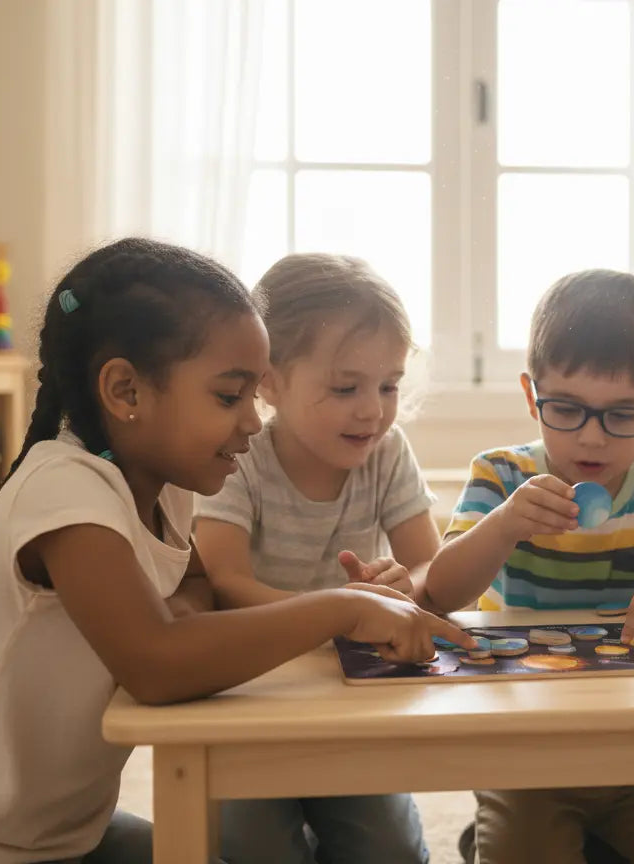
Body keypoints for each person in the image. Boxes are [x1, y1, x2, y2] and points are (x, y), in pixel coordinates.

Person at [0, 238, 470, 864]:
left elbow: (193, 601)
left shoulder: (167, 490)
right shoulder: (64, 489)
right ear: (125, 391)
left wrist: (181, 622)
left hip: (63, 833)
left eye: (253, 397)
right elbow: (157, 664)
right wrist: (342, 608)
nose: (253, 422)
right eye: (230, 397)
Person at [426, 269, 634, 864]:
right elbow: (441, 591)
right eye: (567, 409)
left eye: (623, 414)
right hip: (522, 754)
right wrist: (503, 525)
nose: (592, 438)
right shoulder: (500, 476)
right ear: (532, 395)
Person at [195, 253, 439, 864]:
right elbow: (224, 581)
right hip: (249, 693)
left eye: (389, 385)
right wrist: (336, 612)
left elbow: (429, 569)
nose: (373, 410)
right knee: (255, 851)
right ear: (269, 382)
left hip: (349, 694)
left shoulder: (387, 452)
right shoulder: (240, 455)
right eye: (346, 387)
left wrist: (403, 585)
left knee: (391, 851)